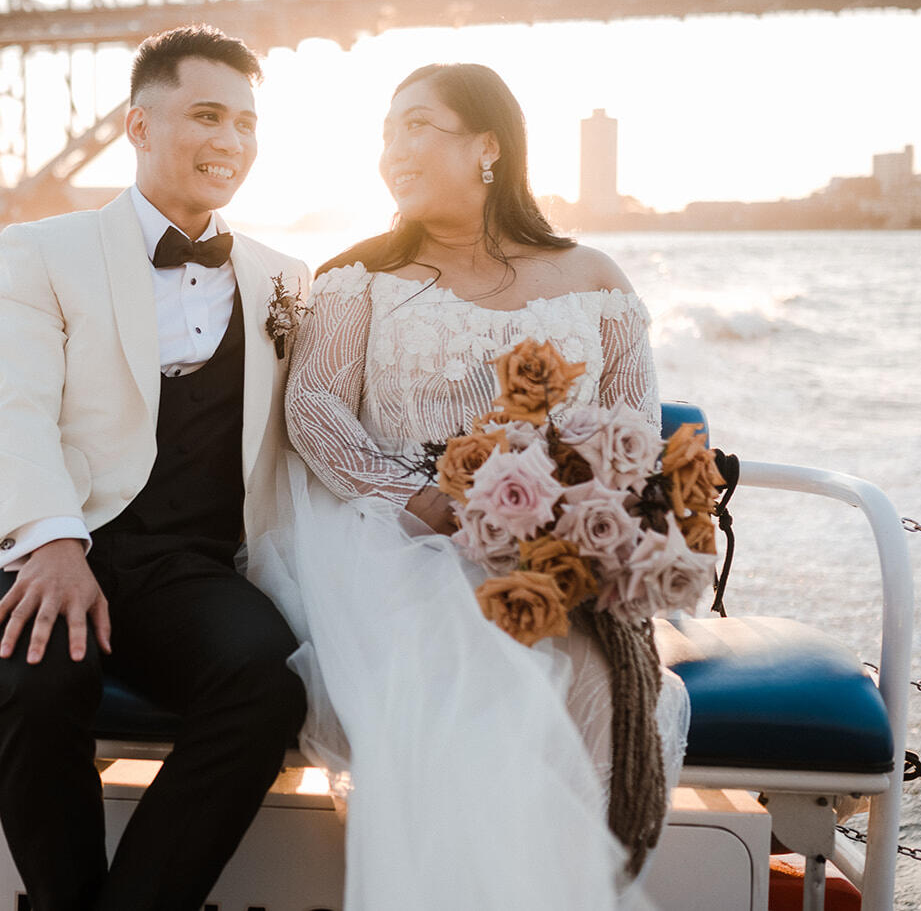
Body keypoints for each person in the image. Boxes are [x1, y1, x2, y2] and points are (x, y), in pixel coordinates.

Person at [245, 62, 691, 908]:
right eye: (384, 133)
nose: (392, 151)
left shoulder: (596, 278)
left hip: (554, 545)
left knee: (606, 685)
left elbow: (634, 436)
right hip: (391, 539)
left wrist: (572, 512)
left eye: (416, 126)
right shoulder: (357, 279)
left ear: (487, 146)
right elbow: (314, 410)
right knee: (467, 664)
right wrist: (428, 500)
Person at [0, 24, 310, 911]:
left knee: (266, 680)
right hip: (39, 539)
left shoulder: (285, 279)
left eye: (245, 123)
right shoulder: (40, 250)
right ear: (138, 126)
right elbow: (15, 409)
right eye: (205, 115)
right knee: (39, 671)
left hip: (188, 567)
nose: (229, 142)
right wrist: (54, 544)